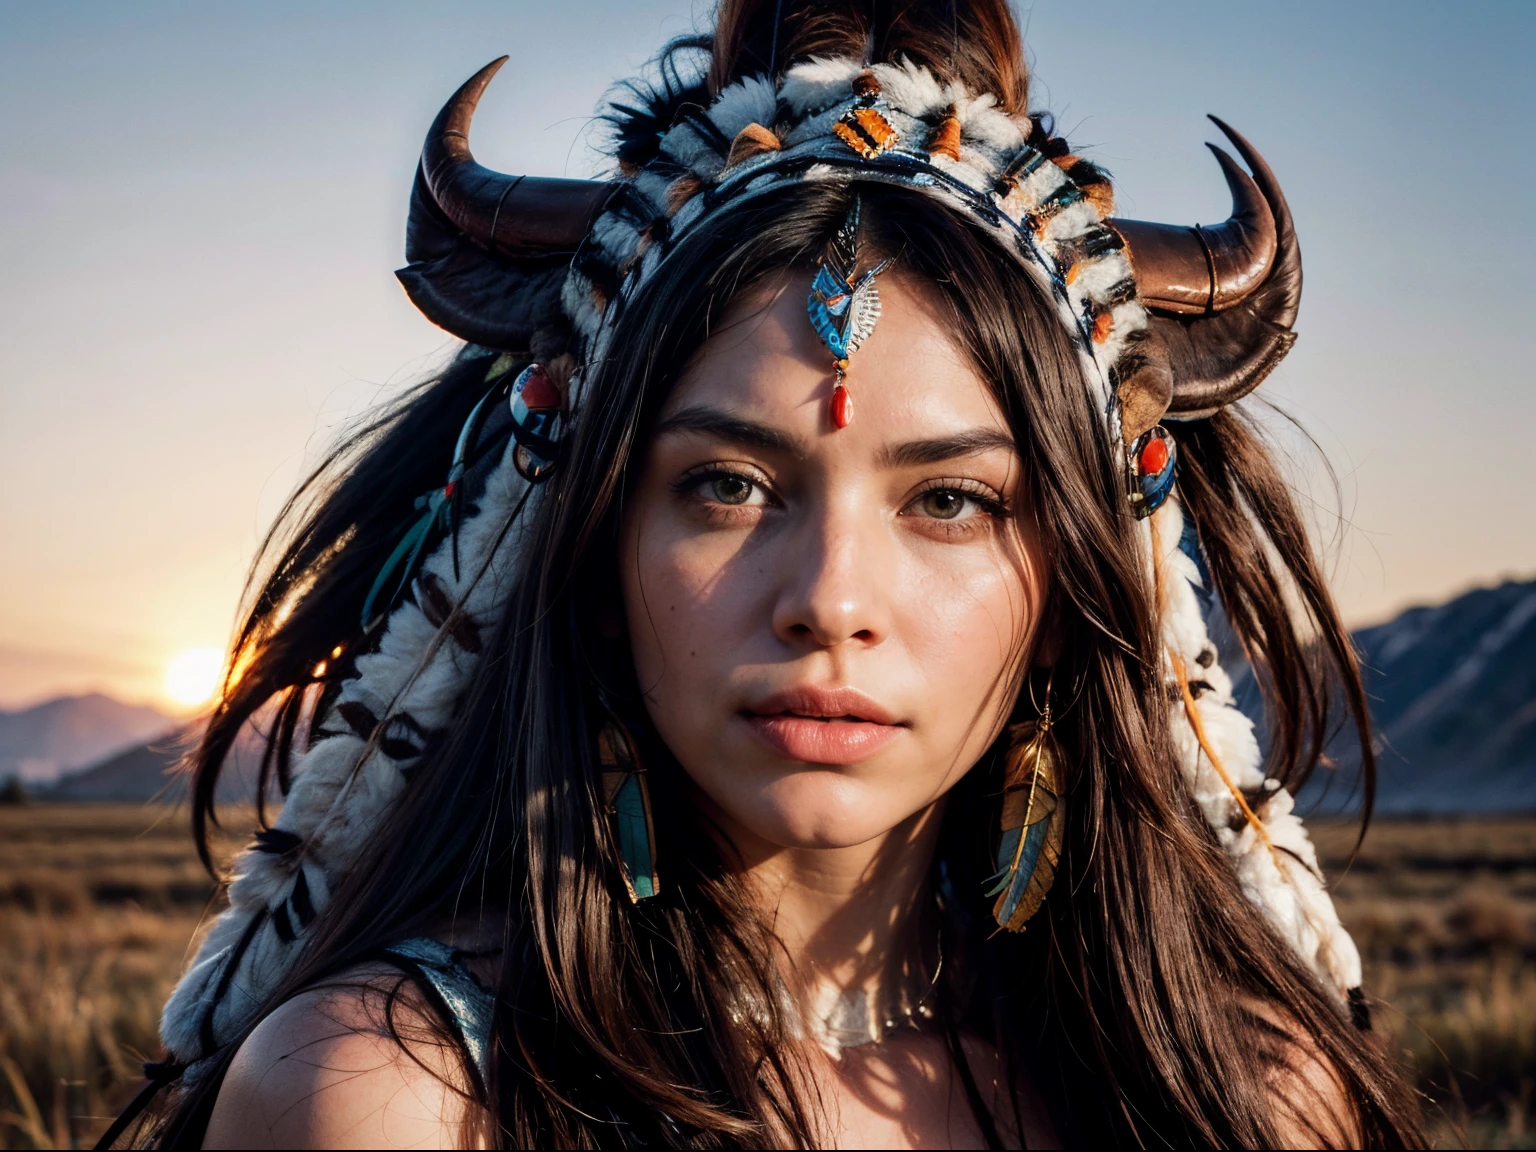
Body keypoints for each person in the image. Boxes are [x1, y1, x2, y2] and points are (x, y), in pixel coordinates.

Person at [107, 1, 1425, 1147]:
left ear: (1084, 571)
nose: (833, 598)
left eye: (953, 500)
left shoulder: (1254, 1103)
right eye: (727, 487)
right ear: (588, 536)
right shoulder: (397, 1100)